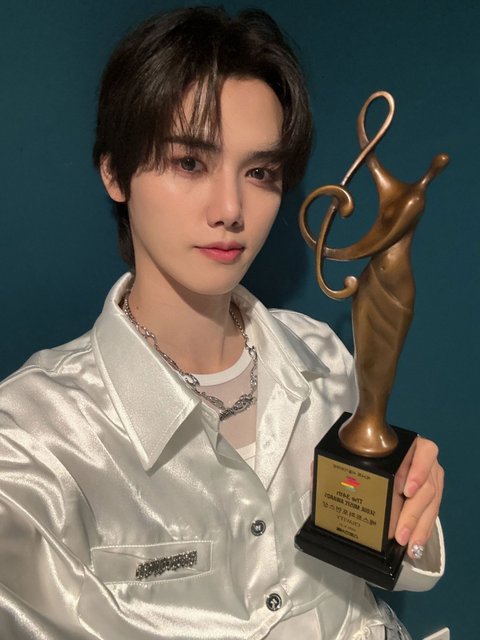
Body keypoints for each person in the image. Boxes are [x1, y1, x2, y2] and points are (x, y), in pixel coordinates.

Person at [0, 6, 444, 639]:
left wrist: (407, 515)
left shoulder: (320, 358)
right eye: (189, 162)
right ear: (114, 172)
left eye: (260, 173)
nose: (231, 208)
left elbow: (366, 577)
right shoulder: (33, 440)